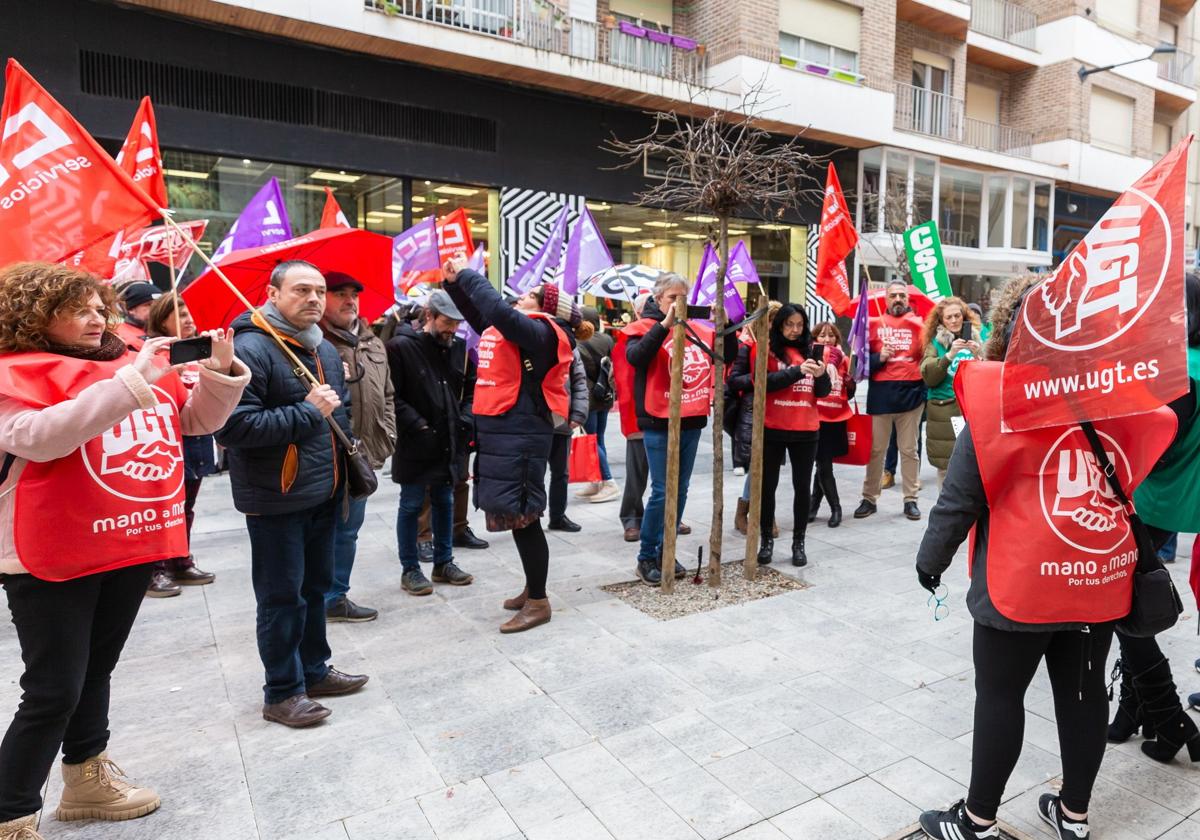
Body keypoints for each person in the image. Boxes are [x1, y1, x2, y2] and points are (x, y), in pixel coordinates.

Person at [915, 274, 1178, 840]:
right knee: (1084, 698)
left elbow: (959, 501)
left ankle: (977, 819)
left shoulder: (996, 402)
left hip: (1019, 582)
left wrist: (929, 562)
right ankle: (1075, 816)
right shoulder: (1114, 396)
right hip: (1094, 575)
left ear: (1010, 331)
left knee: (1001, 697)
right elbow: (1156, 436)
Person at [0, 262, 247, 839]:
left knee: (96, 669)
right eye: (77, 308)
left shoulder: (130, 360)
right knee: (53, 686)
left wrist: (217, 372)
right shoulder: (13, 371)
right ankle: (10, 810)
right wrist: (131, 381)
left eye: (98, 306)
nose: (95, 318)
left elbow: (191, 422)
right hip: (49, 549)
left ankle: (86, 775)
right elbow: (38, 438)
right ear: (33, 315)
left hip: (126, 533)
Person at [217, 260, 369, 729]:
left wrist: (344, 475)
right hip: (276, 498)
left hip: (323, 492)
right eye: (302, 290)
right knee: (282, 597)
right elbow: (234, 428)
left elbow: (335, 421)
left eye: (320, 291)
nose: (315, 300)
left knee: (315, 588)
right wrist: (307, 411)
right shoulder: (252, 348)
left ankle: (315, 671)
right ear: (273, 293)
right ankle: (282, 692)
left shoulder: (317, 347)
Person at [443, 259, 589, 633]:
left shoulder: (543, 333)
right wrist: (454, 286)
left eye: (529, 295)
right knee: (516, 513)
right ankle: (532, 586)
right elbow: (482, 317)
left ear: (547, 308)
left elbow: (494, 309)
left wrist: (468, 274)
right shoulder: (520, 333)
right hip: (506, 432)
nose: (519, 298)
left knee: (525, 516)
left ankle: (539, 601)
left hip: (522, 435)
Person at [1108, 271, 1200, 763]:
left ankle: (1169, 718)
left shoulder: (1181, 367)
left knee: (1127, 612)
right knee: (1128, 610)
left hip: (1155, 500)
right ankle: (1137, 711)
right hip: (1176, 498)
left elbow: (1157, 444)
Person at [618, 273, 738, 585]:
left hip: (692, 417)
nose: (679, 303)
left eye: (683, 297)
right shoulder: (644, 328)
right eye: (673, 298)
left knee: (681, 489)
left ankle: (665, 548)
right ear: (657, 300)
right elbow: (636, 358)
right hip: (658, 420)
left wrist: (725, 326)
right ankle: (647, 555)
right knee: (661, 489)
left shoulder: (699, 330)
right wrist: (665, 325)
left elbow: (728, 357)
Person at [386, 289, 476, 597]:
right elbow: (392, 396)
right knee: (411, 504)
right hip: (416, 442)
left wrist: (466, 418)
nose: (452, 330)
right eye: (447, 322)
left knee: (445, 501)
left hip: (450, 439)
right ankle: (410, 568)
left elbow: (471, 387)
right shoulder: (399, 347)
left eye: (456, 324)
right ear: (429, 317)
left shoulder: (459, 349)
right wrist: (419, 425)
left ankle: (443, 562)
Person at [318, 272, 395, 622]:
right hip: (324, 456)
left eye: (354, 294)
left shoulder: (372, 341)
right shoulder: (313, 343)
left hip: (361, 455)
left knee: (348, 531)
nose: (350, 300)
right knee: (321, 531)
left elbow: (388, 394)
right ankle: (315, 598)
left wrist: (387, 432)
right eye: (340, 294)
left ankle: (336, 596)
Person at [729, 304, 829, 566]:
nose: (795, 330)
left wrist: (820, 376)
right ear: (778, 325)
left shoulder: (812, 350)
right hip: (772, 426)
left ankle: (799, 542)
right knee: (767, 488)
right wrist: (798, 371)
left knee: (801, 488)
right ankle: (766, 541)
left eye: (799, 325)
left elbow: (823, 392)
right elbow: (765, 382)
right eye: (789, 324)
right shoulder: (765, 350)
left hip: (806, 429)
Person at [142, 295, 220, 597]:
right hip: (165, 439)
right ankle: (155, 569)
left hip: (197, 437)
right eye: (181, 314)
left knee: (186, 505)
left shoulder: (201, 349)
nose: (189, 320)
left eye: (191, 313)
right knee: (163, 506)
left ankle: (180, 559)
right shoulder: (152, 352)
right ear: (162, 320)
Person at [855, 281, 926, 521]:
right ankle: (869, 497)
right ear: (885, 299)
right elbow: (860, 364)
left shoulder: (920, 325)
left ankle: (910, 499)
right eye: (893, 295)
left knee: (909, 450)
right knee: (876, 450)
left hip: (911, 395)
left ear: (908, 299)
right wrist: (879, 357)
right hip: (881, 394)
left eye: (902, 296)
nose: (898, 299)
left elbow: (927, 358)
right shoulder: (872, 324)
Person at [920, 296, 981, 487]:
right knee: (946, 467)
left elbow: (992, 370)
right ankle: (947, 513)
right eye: (949, 317)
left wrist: (979, 355)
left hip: (972, 409)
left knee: (973, 464)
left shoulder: (979, 337)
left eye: (957, 316)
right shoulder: (934, 343)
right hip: (944, 412)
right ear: (941, 321)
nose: (954, 320)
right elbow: (929, 376)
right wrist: (949, 355)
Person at [809, 321, 854, 528]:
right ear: (814, 339)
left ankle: (813, 505)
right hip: (817, 418)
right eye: (822, 336)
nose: (827, 340)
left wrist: (850, 383)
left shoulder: (844, 358)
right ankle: (835, 507)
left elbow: (848, 392)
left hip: (837, 419)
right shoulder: (812, 357)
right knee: (824, 465)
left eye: (831, 336)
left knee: (823, 464)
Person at [575, 306, 621, 504]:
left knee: (592, 440)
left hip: (588, 397)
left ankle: (609, 482)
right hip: (604, 394)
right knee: (598, 438)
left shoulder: (578, 342)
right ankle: (596, 480)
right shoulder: (607, 339)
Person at [616, 293, 650, 543]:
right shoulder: (631, 334)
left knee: (671, 472)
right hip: (639, 412)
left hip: (665, 411)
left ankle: (671, 514)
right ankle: (632, 518)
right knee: (636, 472)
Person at [545, 347, 589, 532]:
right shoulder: (530, 337)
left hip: (562, 418)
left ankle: (557, 516)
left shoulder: (569, 347)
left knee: (561, 472)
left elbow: (579, 381)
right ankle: (530, 519)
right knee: (533, 474)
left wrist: (578, 414)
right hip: (535, 420)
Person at [115, 282, 160, 351]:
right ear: (131, 309)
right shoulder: (121, 337)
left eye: (159, 304)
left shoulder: (170, 329)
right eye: (149, 304)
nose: (156, 308)